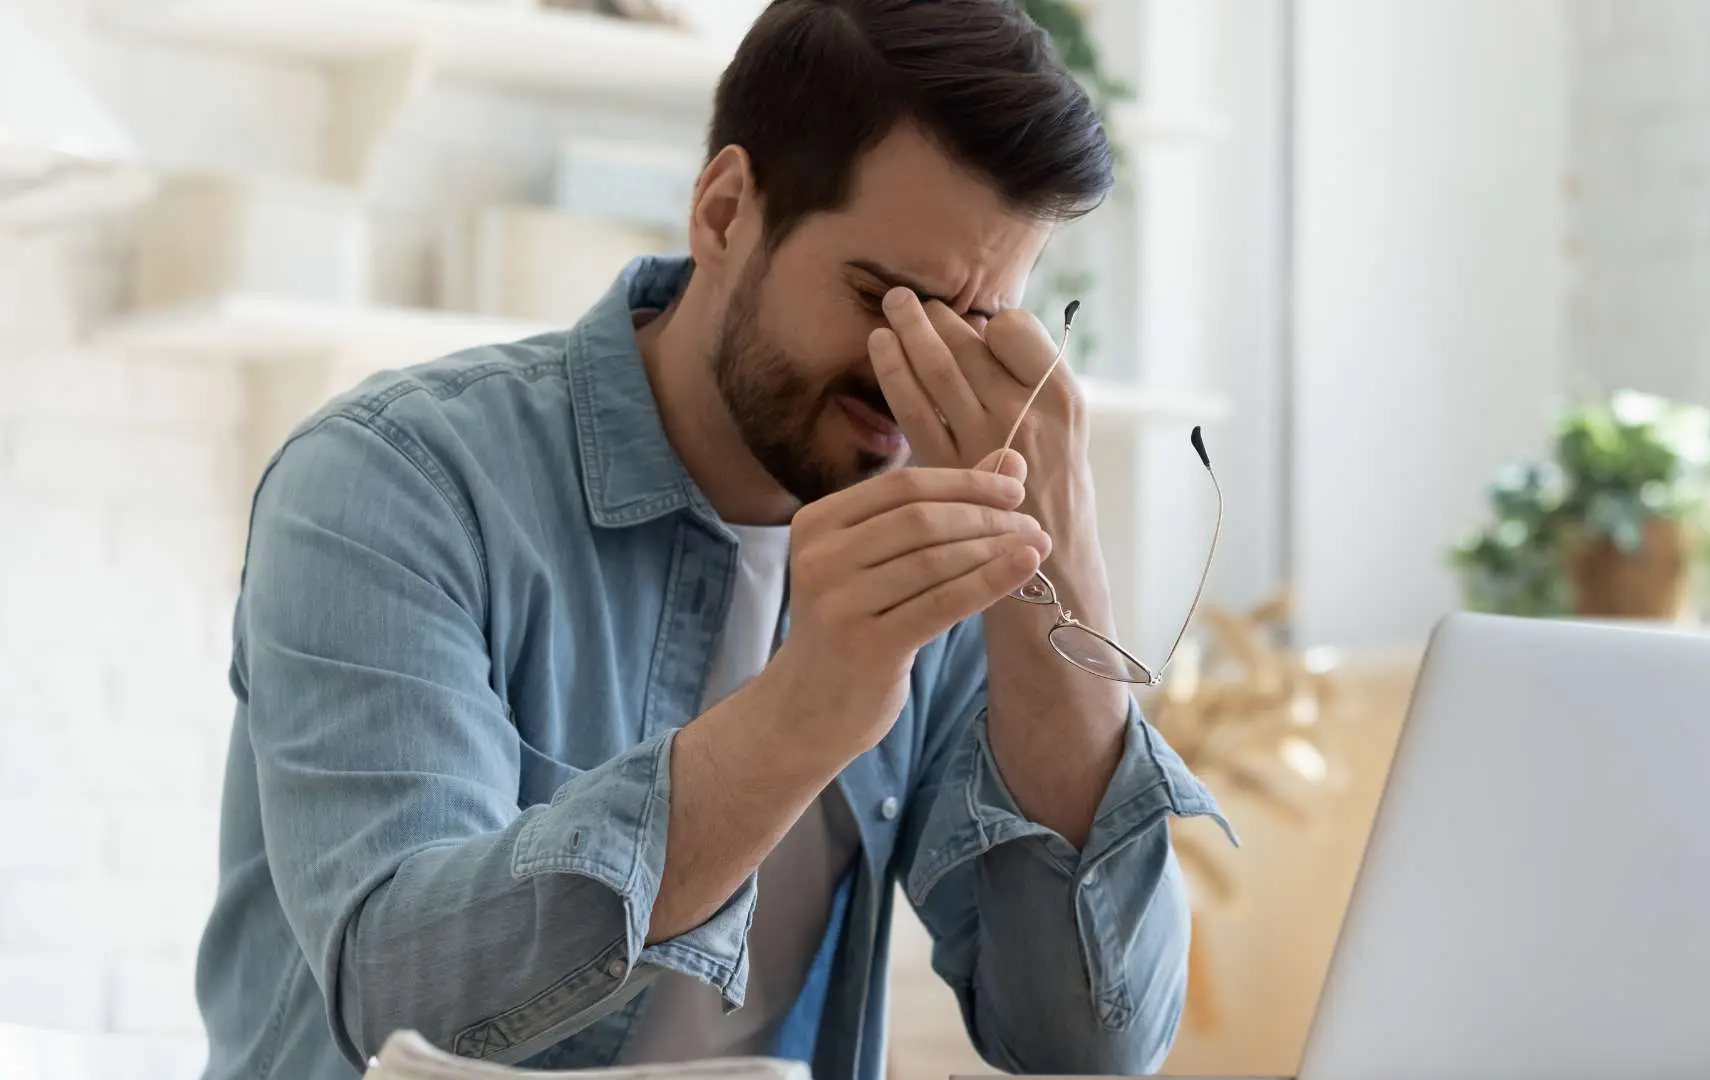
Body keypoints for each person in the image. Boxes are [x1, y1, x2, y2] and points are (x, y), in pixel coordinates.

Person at [193, 2, 1228, 1078]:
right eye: (888, 297)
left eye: (978, 326)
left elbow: (1088, 1044)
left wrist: (1062, 583)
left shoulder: (948, 544)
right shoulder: (394, 480)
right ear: (726, 211)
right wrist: (809, 707)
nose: (914, 372)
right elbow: (402, 1000)